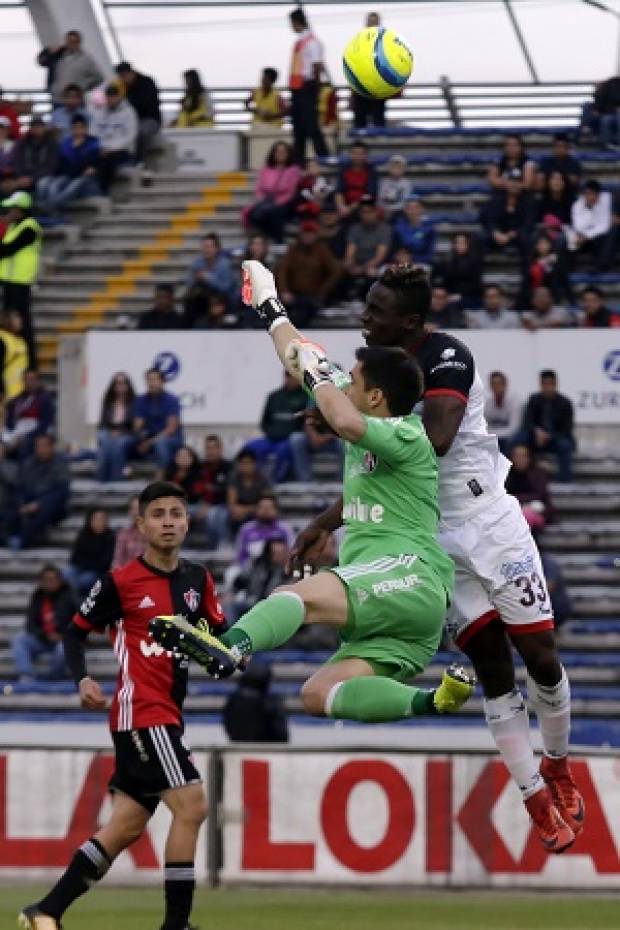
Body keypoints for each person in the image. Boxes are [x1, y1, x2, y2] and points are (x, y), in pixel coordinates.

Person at [283, 263, 582, 853]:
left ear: (411, 322)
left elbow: (435, 439)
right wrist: (323, 522)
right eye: (366, 305)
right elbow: (380, 471)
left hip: (492, 522)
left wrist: (349, 419)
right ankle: (533, 798)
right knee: (493, 667)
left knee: (540, 656)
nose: (365, 317)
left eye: (377, 308)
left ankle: (559, 765)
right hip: (432, 539)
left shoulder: (446, 355)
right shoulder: (379, 375)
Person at [171, 262, 474, 735]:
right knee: (318, 693)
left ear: (374, 397)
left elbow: (341, 411)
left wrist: (319, 382)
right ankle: (434, 700)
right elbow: (301, 357)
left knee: (295, 596)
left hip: (410, 575)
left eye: (352, 381)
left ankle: (228, 645)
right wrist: (270, 306)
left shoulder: (406, 431)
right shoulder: (367, 415)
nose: (344, 385)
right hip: (399, 617)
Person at [18, 481, 226, 930]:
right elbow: (74, 632)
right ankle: (177, 925)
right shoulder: (119, 582)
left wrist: (229, 652)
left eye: (176, 513)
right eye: (158, 514)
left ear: (188, 522)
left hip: (168, 715)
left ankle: (47, 911)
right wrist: (82, 678)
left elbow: (218, 639)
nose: (168, 521)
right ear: (140, 525)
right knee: (192, 807)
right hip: (142, 714)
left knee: (125, 826)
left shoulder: (198, 580)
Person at [11, 564, 77, 684]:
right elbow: (30, 624)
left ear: (60, 581)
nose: (49, 583)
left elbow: (81, 620)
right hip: (43, 638)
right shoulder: (38, 596)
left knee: (62, 650)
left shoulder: (70, 596)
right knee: (20, 639)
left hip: (64, 639)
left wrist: (65, 635)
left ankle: (54, 679)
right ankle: (26, 676)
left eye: (52, 579)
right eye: (45, 580)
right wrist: (45, 634)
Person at [0, 191, 41, 367]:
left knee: (22, 323)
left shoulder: (30, 227)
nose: (9, 212)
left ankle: (31, 363)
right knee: (7, 323)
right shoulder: (13, 226)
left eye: (12, 208)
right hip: (8, 281)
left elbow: (8, 249)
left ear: (21, 209)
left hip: (20, 282)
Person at [7, 434, 70, 549]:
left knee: (45, 510)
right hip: (28, 502)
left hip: (50, 505)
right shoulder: (28, 463)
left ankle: (23, 542)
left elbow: (62, 492)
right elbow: (19, 487)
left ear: (52, 447)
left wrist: (39, 504)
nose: (41, 449)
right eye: (38, 446)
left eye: (44, 446)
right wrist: (22, 504)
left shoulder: (60, 464)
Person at [243, 370, 307, 482]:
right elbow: (264, 421)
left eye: (292, 376)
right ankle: (256, 480)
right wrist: (271, 432)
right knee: (251, 447)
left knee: (282, 451)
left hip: (288, 440)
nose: (290, 379)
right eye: (287, 376)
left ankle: (276, 481)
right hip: (270, 439)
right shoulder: (273, 396)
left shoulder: (305, 397)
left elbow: (304, 424)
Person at [276, 219, 342, 327]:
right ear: (301, 235)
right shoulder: (293, 249)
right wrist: (284, 291)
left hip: (313, 295)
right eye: (305, 233)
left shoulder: (322, 250)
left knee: (302, 313)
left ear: (315, 235)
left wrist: (322, 291)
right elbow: (283, 270)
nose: (308, 236)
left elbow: (335, 272)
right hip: (294, 293)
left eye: (311, 234)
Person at [37, 114, 101, 219]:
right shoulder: (66, 144)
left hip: (87, 181)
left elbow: (89, 165)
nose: (78, 130)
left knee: (77, 183)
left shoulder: (93, 143)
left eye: (81, 127)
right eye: (76, 128)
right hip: (69, 175)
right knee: (54, 185)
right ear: (72, 129)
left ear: (86, 128)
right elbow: (65, 164)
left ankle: (48, 208)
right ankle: (52, 212)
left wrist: (77, 149)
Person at [518, 370, 576, 484]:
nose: (547, 387)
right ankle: (520, 480)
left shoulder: (565, 403)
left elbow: (566, 429)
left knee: (565, 445)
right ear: (540, 385)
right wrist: (536, 431)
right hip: (536, 438)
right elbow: (527, 422)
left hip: (556, 439)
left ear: (555, 385)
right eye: (545, 384)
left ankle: (564, 481)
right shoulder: (533, 400)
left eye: (550, 384)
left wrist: (549, 436)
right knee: (519, 440)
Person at [288, 7, 328, 164]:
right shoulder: (300, 42)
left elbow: (316, 67)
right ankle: (299, 161)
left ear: (297, 22)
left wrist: (315, 91)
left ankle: (324, 157)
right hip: (297, 88)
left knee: (311, 126)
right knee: (298, 129)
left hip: (307, 87)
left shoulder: (312, 42)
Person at [243, 141, 302, 242]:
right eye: (278, 152)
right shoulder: (265, 169)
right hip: (266, 201)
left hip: (285, 202)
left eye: (283, 152)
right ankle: (258, 242)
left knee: (273, 213)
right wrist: (262, 201)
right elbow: (259, 189)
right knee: (253, 214)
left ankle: (278, 241)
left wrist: (275, 204)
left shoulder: (294, 170)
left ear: (288, 154)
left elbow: (291, 192)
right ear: (273, 153)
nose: (280, 154)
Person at [130, 368, 184, 470]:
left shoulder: (172, 400)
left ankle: (162, 478)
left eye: (155, 380)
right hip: (149, 436)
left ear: (162, 382)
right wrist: (139, 434)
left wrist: (150, 442)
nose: (152, 383)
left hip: (170, 438)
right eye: (149, 380)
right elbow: (137, 425)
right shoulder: (140, 400)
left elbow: (170, 429)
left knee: (161, 444)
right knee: (125, 441)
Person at [223, 661, 289, 742]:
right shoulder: (271, 704)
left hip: (241, 749)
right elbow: (281, 734)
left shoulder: (232, 702)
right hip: (267, 750)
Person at [91, 84, 138, 194]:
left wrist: (110, 149)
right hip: (101, 150)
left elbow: (130, 137)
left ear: (119, 97)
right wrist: (101, 148)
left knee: (106, 162)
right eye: (109, 97)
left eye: (113, 96)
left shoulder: (129, 113)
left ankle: (102, 192)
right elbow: (93, 133)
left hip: (122, 151)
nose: (111, 99)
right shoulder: (99, 112)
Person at [37, 29, 104, 106]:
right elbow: (41, 62)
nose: (71, 44)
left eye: (74, 42)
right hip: (57, 99)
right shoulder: (58, 55)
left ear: (79, 42)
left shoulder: (86, 59)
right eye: (69, 42)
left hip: (76, 101)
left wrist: (84, 87)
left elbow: (99, 77)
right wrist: (49, 52)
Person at [343, 195, 391, 300]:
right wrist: (350, 264)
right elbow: (350, 252)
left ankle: (369, 301)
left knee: (372, 272)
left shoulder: (384, 229)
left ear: (376, 212)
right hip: (357, 263)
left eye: (370, 212)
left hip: (375, 264)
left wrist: (362, 268)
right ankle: (343, 300)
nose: (366, 215)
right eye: (363, 212)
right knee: (343, 267)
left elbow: (379, 256)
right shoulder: (354, 228)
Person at [229, 539, 290, 621]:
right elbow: (241, 580)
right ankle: (229, 632)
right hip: (252, 602)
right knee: (230, 605)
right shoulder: (258, 564)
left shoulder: (288, 571)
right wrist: (232, 593)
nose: (279, 556)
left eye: (282, 553)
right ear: (268, 553)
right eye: (275, 553)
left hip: (273, 606)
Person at [183, 233, 235, 325]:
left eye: (210, 246)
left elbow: (226, 288)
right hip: (202, 299)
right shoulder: (197, 263)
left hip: (222, 299)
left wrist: (208, 277)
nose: (207, 250)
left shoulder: (225, 264)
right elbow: (189, 284)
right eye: (205, 246)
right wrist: (196, 279)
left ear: (217, 249)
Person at [3, 368, 54, 459]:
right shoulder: (17, 399)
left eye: (32, 379)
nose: (29, 382)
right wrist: (9, 434)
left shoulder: (44, 399)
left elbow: (44, 424)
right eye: (26, 379)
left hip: (34, 435)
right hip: (16, 433)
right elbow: (9, 422)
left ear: (38, 381)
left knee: (24, 446)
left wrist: (26, 436)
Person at [115, 62, 161, 162]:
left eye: (124, 75)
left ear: (131, 73)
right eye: (121, 76)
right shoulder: (121, 86)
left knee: (140, 132)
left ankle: (139, 161)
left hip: (149, 119)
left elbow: (145, 104)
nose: (123, 78)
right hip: (130, 120)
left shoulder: (146, 83)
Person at [65, 508, 116, 596]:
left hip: (97, 571)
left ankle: (74, 602)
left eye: (102, 519)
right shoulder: (83, 535)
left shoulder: (111, 538)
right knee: (66, 573)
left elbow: (105, 563)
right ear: (90, 521)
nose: (99, 522)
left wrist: (87, 563)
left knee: (85, 579)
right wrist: (86, 563)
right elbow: (75, 557)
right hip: (81, 567)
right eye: (96, 519)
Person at [505, 444, 554, 535]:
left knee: (526, 517)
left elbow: (540, 495)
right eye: (517, 456)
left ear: (529, 458)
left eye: (524, 456)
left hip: (535, 511)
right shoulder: (505, 475)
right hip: (512, 511)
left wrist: (518, 500)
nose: (520, 459)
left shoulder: (537, 474)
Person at [96, 371, 136, 482]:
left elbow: (133, 425)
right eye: (117, 383)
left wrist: (120, 431)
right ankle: (102, 481)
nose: (120, 386)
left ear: (128, 385)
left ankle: (115, 481)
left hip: (127, 433)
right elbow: (102, 423)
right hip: (108, 431)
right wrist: (111, 432)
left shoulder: (134, 402)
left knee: (118, 445)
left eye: (123, 383)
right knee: (104, 442)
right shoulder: (107, 402)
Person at [235, 493, 293, 569]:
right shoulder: (246, 529)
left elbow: (292, 552)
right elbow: (240, 555)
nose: (266, 511)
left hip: (279, 569)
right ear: (256, 510)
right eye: (262, 507)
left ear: (276, 510)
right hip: (251, 570)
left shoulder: (285, 529)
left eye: (269, 508)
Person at [194, 434, 231, 549]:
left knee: (215, 515)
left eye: (214, 448)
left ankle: (216, 549)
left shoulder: (228, 467)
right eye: (208, 448)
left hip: (222, 505)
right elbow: (196, 489)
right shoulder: (199, 467)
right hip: (199, 505)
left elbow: (227, 490)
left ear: (220, 449)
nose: (211, 451)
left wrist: (209, 504)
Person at [350, 12, 386, 129]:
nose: (372, 25)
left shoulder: (385, 43)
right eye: (370, 23)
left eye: (374, 23)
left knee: (378, 118)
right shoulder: (358, 42)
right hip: (361, 86)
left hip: (378, 87)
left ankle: (379, 144)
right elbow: (352, 66)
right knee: (359, 119)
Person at [226, 448, 272, 537]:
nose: (245, 466)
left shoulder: (263, 479)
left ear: (255, 464)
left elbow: (267, 502)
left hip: (258, 510)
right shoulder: (234, 478)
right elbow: (231, 503)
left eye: (248, 463)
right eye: (242, 463)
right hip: (238, 512)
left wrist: (246, 510)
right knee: (227, 516)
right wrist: (237, 510)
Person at [289, 408, 343, 482]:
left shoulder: (337, 408)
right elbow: (314, 438)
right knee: (296, 438)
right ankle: (306, 479)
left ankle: (343, 479)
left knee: (343, 441)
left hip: (334, 443)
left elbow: (341, 432)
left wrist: (327, 437)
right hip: (315, 443)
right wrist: (321, 437)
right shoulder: (311, 410)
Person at [570, 180, 612, 270]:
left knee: (608, 234)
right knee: (571, 239)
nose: (590, 197)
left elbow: (604, 226)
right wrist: (589, 209)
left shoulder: (606, 200)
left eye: (593, 194)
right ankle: (570, 269)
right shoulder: (577, 205)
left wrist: (588, 235)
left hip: (600, 239)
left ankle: (601, 267)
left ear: (599, 195)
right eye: (587, 194)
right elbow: (578, 227)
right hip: (582, 239)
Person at [433, 232, 483, 308]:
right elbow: (444, 281)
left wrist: (460, 295)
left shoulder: (475, 262)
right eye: (457, 243)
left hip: (470, 296)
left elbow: (476, 284)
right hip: (450, 295)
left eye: (463, 243)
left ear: (468, 245)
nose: (460, 245)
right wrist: (445, 294)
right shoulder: (448, 261)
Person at [334, 141, 379, 222]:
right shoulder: (344, 169)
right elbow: (339, 191)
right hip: (346, 204)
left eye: (361, 154)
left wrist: (350, 208)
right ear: (350, 154)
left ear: (366, 155)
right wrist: (341, 206)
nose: (357, 156)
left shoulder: (371, 170)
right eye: (354, 153)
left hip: (363, 203)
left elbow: (369, 194)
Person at [483, 371, 522, 455]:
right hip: (495, 436)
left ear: (505, 385)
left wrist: (492, 434)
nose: (496, 387)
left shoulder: (515, 401)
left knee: (507, 443)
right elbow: (483, 426)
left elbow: (514, 429)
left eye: (499, 384)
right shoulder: (488, 403)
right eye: (493, 384)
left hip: (511, 437)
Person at [528, 233, 572, 305]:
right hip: (536, 295)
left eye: (545, 243)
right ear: (536, 246)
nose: (542, 246)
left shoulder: (556, 260)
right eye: (540, 243)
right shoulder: (531, 261)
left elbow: (565, 281)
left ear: (550, 245)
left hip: (553, 295)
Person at [392, 196, 436, 266]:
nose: (413, 211)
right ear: (405, 210)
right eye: (409, 208)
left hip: (421, 263)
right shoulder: (397, 228)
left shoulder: (429, 229)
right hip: (399, 263)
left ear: (422, 209)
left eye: (416, 208)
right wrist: (398, 257)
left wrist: (411, 258)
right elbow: (392, 251)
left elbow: (429, 255)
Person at [0, 308, 28, 401]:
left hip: (18, 394)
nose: (20, 320)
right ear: (7, 320)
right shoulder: (2, 339)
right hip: (6, 395)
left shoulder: (20, 340)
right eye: (16, 317)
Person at [111, 495, 145, 568]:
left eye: (139, 509)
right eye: (134, 509)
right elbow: (117, 561)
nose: (136, 512)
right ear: (130, 512)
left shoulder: (154, 533)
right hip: (128, 575)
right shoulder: (123, 533)